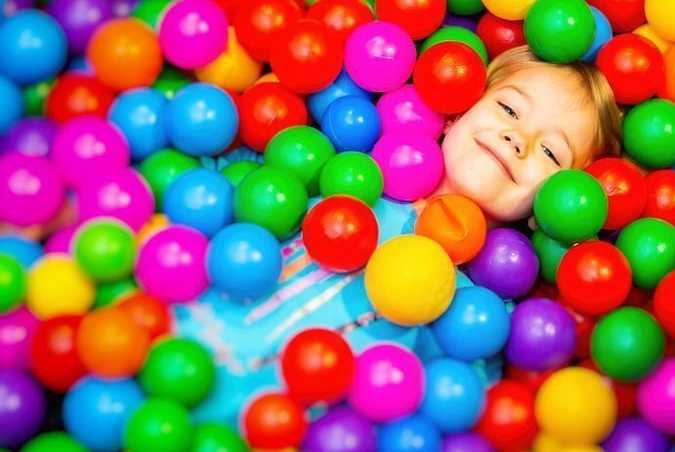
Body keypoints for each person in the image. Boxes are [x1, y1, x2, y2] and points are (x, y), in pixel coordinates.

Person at [179, 46, 621, 424]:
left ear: (554, 212)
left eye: (550, 152)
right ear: (456, 112)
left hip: (269, 435)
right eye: (508, 109)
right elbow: (227, 190)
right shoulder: (347, 173)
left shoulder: (482, 313)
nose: (518, 138)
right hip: (176, 332)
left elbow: (453, 405)